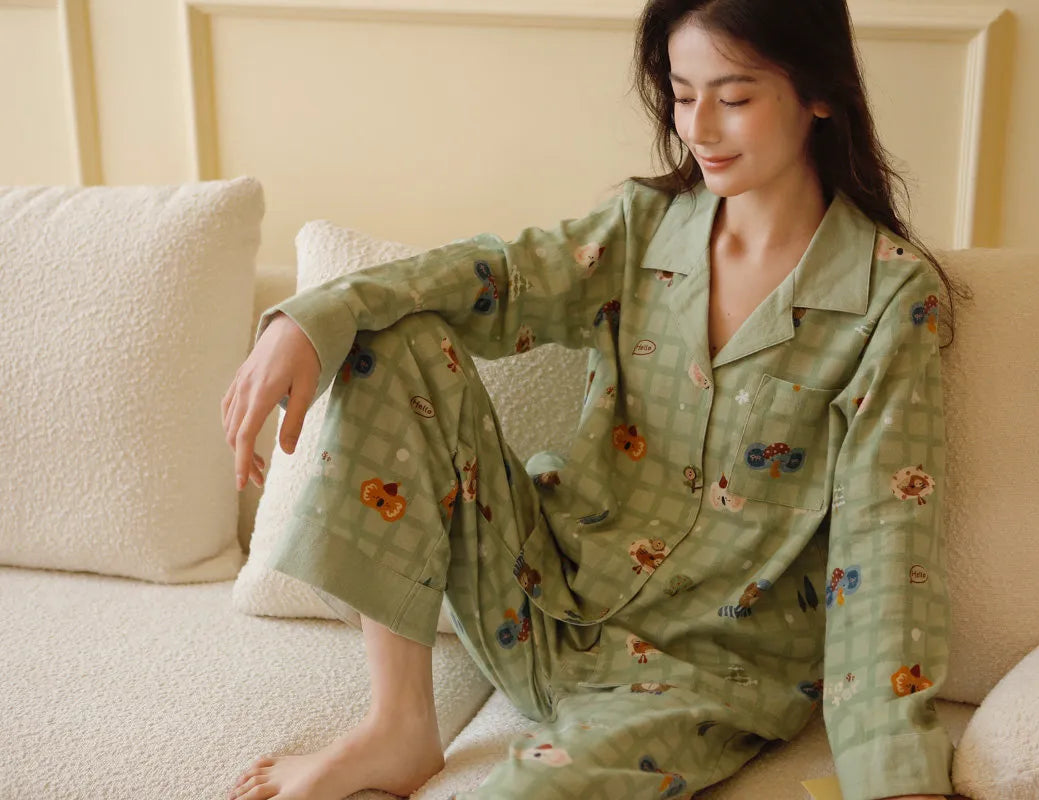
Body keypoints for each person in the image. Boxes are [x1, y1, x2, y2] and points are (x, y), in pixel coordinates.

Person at [220, 1, 972, 799]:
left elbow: (886, 543)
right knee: (390, 334)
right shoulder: (641, 231)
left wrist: (898, 780)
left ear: (819, 93)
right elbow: (493, 277)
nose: (701, 129)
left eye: (736, 97)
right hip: (544, 601)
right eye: (683, 95)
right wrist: (314, 319)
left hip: (703, 678)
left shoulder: (889, 297)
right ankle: (397, 727)